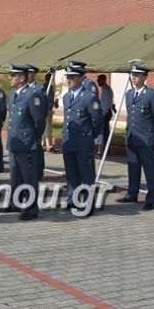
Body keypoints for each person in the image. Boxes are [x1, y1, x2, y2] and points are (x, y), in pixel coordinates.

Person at [0, 64, 47, 220]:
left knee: (28, 177)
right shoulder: (13, 94)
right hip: (14, 142)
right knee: (15, 175)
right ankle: (16, 202)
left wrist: (33, 138)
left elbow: (39, 121)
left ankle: (31, 208)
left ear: (21, 78)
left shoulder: (32, 95)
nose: (9, 78)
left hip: (27, 142)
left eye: (13, 75)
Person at [116, 64, 154, 211]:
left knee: (149, 169)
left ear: (145, 76)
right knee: (133, 167)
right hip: (132, 137)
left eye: (137, 74)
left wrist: (152, 133)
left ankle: (151, 199)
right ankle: (132, 193)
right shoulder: (129, 94)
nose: (134, 77)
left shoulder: (151, 94)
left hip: (146, 139)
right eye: (132, 74)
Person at [61, 63, 103, 216]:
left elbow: (97, 121)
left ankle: (88, 203)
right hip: (69, 142)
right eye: (67, 77)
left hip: (83, 143)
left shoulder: (89, 98)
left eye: (72, 77)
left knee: (86, 175)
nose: (69, 80)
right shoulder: (66, 97)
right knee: (71, 174)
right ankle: (72, 199)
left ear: (80, 78)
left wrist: (90, 136)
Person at [25, 65, 46, 179]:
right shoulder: (25, 88)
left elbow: (42, 111)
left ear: (34, 74)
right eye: (27, 73)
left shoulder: (38, 89)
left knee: (37, 149)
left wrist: (39, 130)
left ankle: (39, 171)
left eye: (30, 73)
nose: (28, 75)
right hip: (26, 126)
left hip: (35, 125)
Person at [96, 74, 114, 157]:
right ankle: (107, 148)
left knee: (102, 132)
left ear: (103, 80)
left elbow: (105, 105)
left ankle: (103, 149)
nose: (97, 81)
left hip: (105, 113)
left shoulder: (106, 90)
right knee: (105, 131)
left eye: (99, 80)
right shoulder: (105, 89)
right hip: (105, 112)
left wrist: (102, 115)